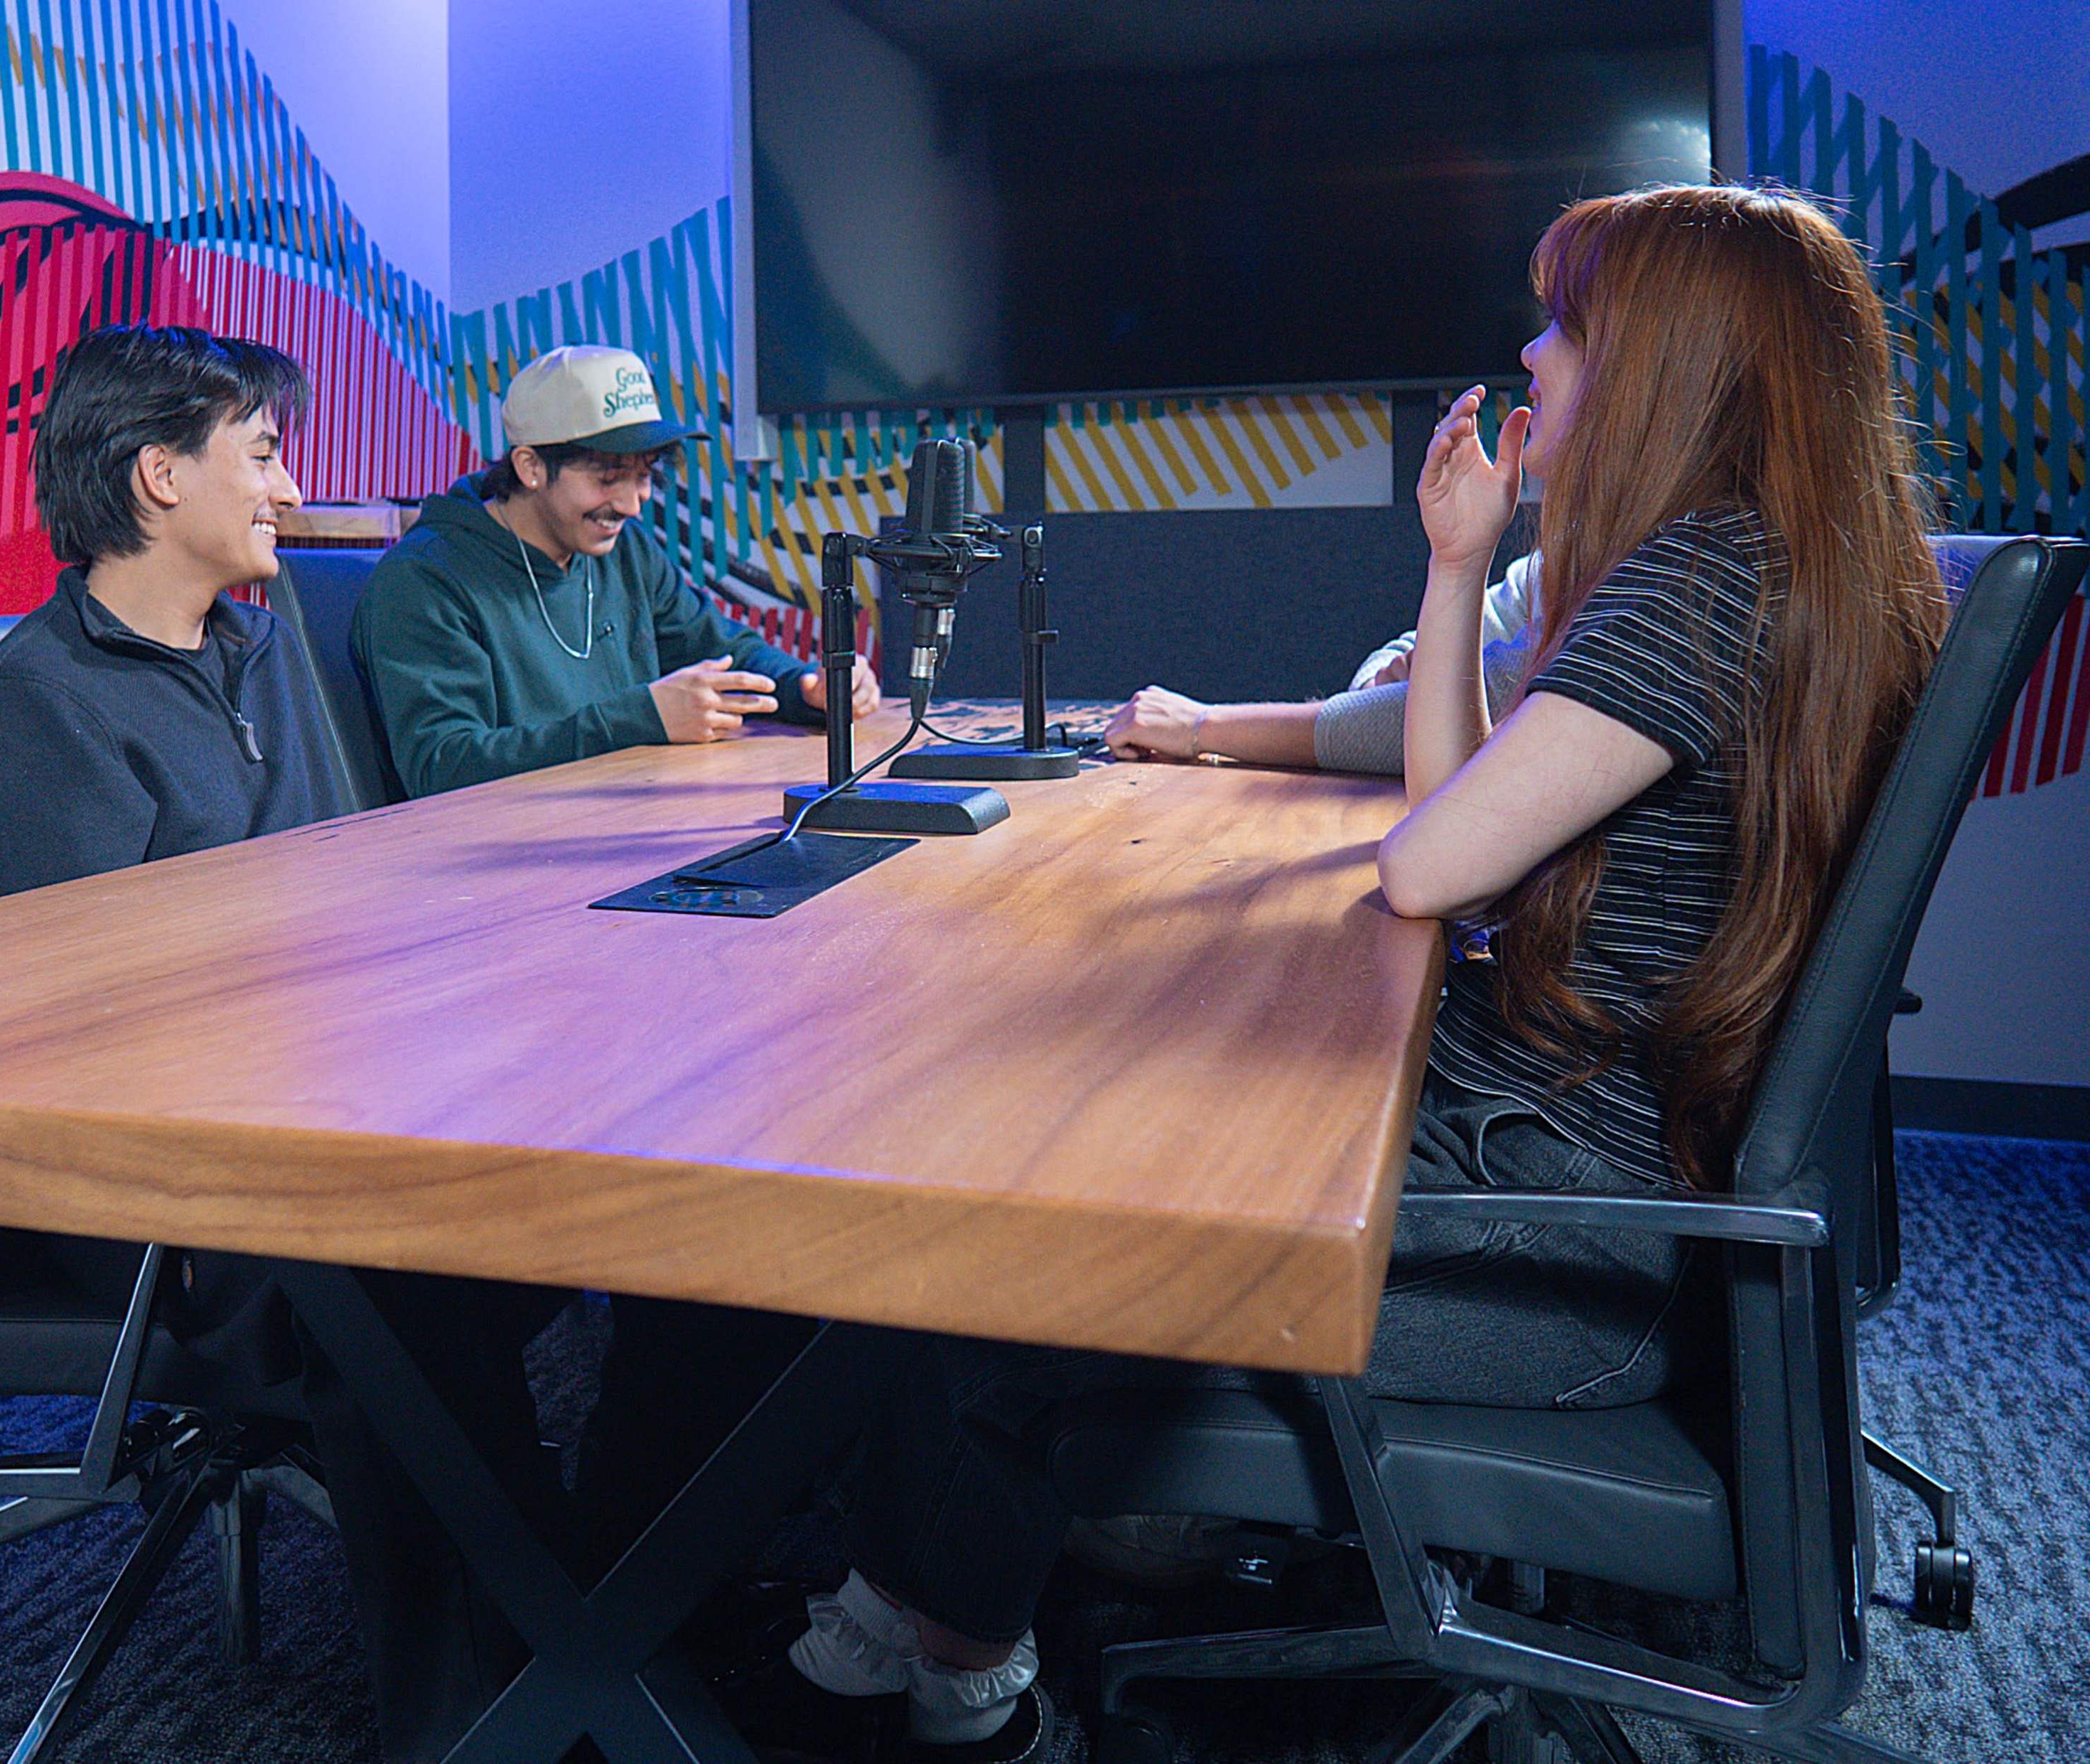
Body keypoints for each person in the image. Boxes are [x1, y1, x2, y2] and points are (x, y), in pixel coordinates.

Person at [745, 185, 1951, 1764]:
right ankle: (905, 1597)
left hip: (1545, 1243)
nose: (1533, 349)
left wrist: (1463, 597)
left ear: (1667, 362)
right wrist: (1461, 569)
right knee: (1073, 1122)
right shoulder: (1770, 566)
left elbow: (1428, 868)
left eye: (1569, 325)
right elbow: (1463, 826)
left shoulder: (1698, 585)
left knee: (1003, 1241)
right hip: (1575, 1172)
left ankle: (959, 1686)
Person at [0, 324, 352, 1431]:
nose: (288, 486)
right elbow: (110, 1022)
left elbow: (343, 879)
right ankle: (503, 1599)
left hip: (314, 1096)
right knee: (430, 1264)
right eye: (261, 454)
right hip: (169, 1174)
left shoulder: (260, 651)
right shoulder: (36, 704)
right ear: (160, 475)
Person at [355, 343, 878, 796]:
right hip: (485, 870)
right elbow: (443, 767)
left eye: (644, 475)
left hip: (623, 828)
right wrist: (641, 719)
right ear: (530, 467)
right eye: (609, 478)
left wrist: (807, 686)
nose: (632, 504)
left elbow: (724, 650)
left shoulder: (625, 553)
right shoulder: (424, 581)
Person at [1102, 554, 1541, 773]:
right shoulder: (1550, 563)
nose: (1529, 369)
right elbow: (1388, 679)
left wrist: (1200, 726)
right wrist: (1392, 701)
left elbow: (1456, 714)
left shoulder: (1610, 587)